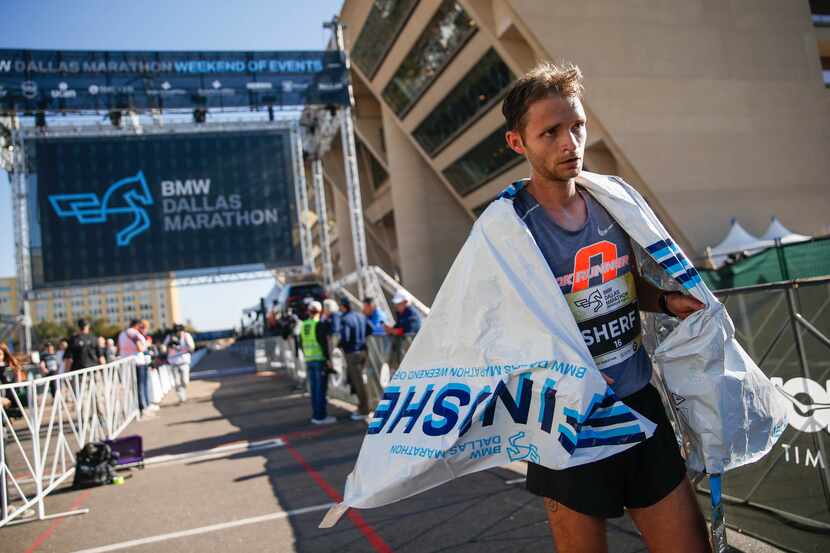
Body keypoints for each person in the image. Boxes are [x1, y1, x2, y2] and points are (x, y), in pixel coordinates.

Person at [500, 62, 708, 553]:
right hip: (567, 422)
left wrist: (663, 301)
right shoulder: (507, 228)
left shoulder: (611, 201)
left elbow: (618, 282)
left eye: (576, 126)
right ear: (518, 144)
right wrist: (562, 374)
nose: (569, 143)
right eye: (550, 133)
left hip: (639, 404)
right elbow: (495, 327)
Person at [300, 301, 335, 425]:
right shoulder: (319, 325)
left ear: (309, 311)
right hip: (319, 360)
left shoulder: (303, 325)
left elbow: (301, 344)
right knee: (320, 390)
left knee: (314, 389)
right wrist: (328, 360)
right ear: (320, 312)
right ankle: (321, 416)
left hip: (309, 360)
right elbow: (324, 344)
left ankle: (316, 414)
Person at [338, 297, 371, 420]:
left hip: (352, 353)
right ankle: (364, 407)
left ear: (344, 306)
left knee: (358, 383)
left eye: (340, 306)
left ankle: (364, 410)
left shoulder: (345, 319)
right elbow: (370, 329)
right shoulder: (361, 316)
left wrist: (340, 345)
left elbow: (345, 338)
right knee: (362, 381)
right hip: (363, 351)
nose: (339, 309)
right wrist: (361, 339)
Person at [118, 319, 150, 417]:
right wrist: (147, 344)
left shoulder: (122, 334)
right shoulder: (133, 333)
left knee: (133, 387)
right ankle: (142, 407)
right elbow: (139, 347)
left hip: (127, 362)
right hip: (138, 362)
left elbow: (120, 348)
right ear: (137, 325)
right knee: (140, 386)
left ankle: (135, 408)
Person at [164, 324, 195, 404]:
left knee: (185, 380)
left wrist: (181, 348)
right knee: (177, 382)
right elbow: (164, 347)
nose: (178, 333)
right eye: (176, 331)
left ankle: (183, 391)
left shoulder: (186, 336)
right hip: (173, 362)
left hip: (184, 361)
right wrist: (169, 346)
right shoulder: (169, 337)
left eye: (179, 331)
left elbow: (192, 347)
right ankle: (181, 397)